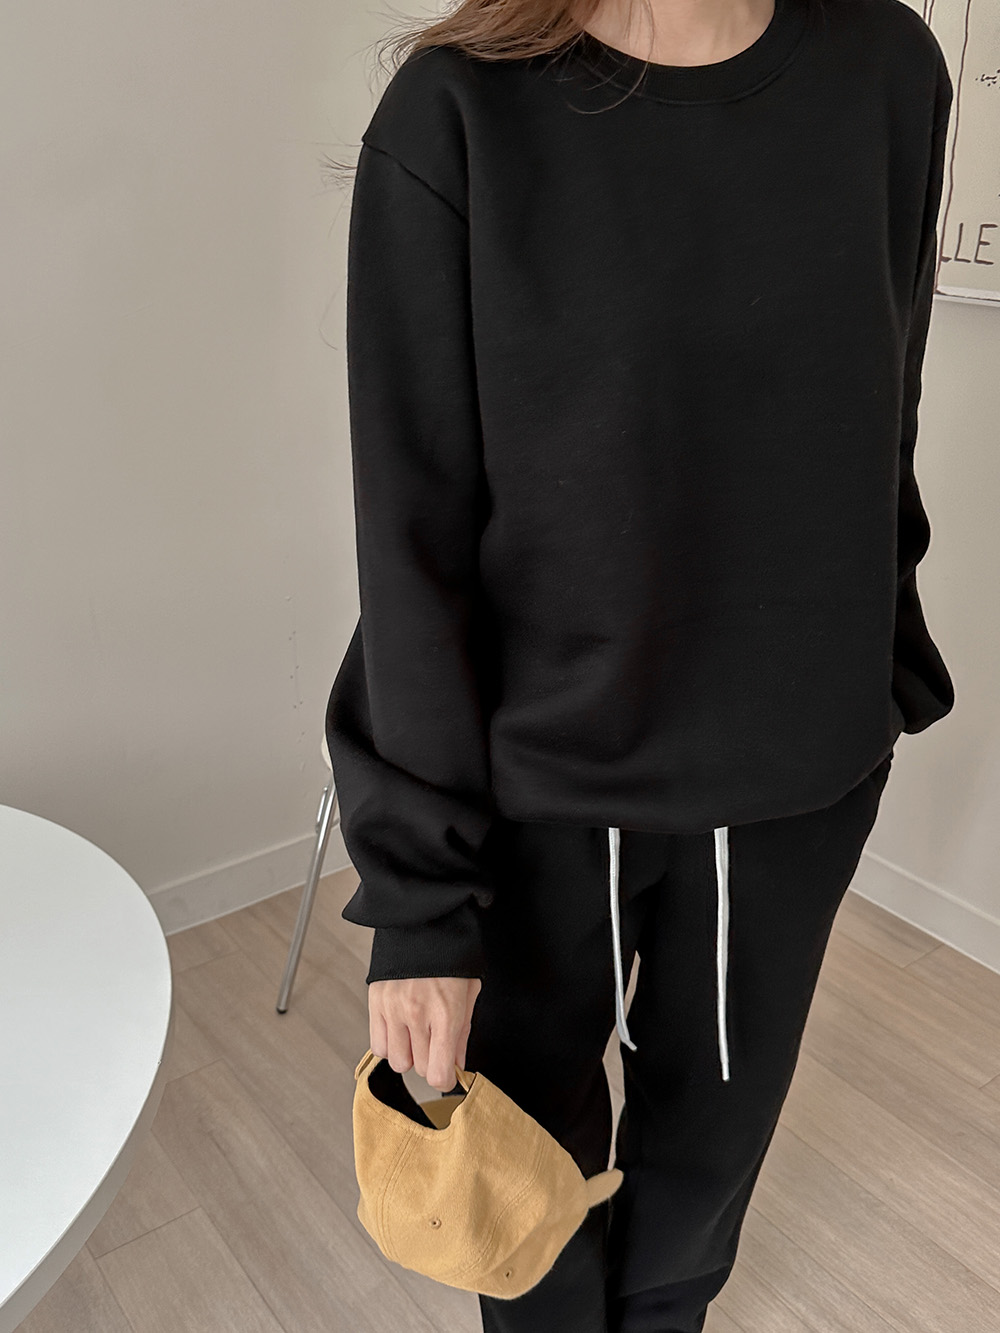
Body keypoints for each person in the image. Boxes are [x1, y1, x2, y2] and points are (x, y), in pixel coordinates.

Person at [325, 0, 956, 1326]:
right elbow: (412, 541)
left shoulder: (891, 71)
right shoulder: (458, 114)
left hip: (793, 780)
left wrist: (877, 662)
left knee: (706, 1167)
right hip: (536, 796)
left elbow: (881, 409)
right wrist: (422, 903)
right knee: (525, 1179)